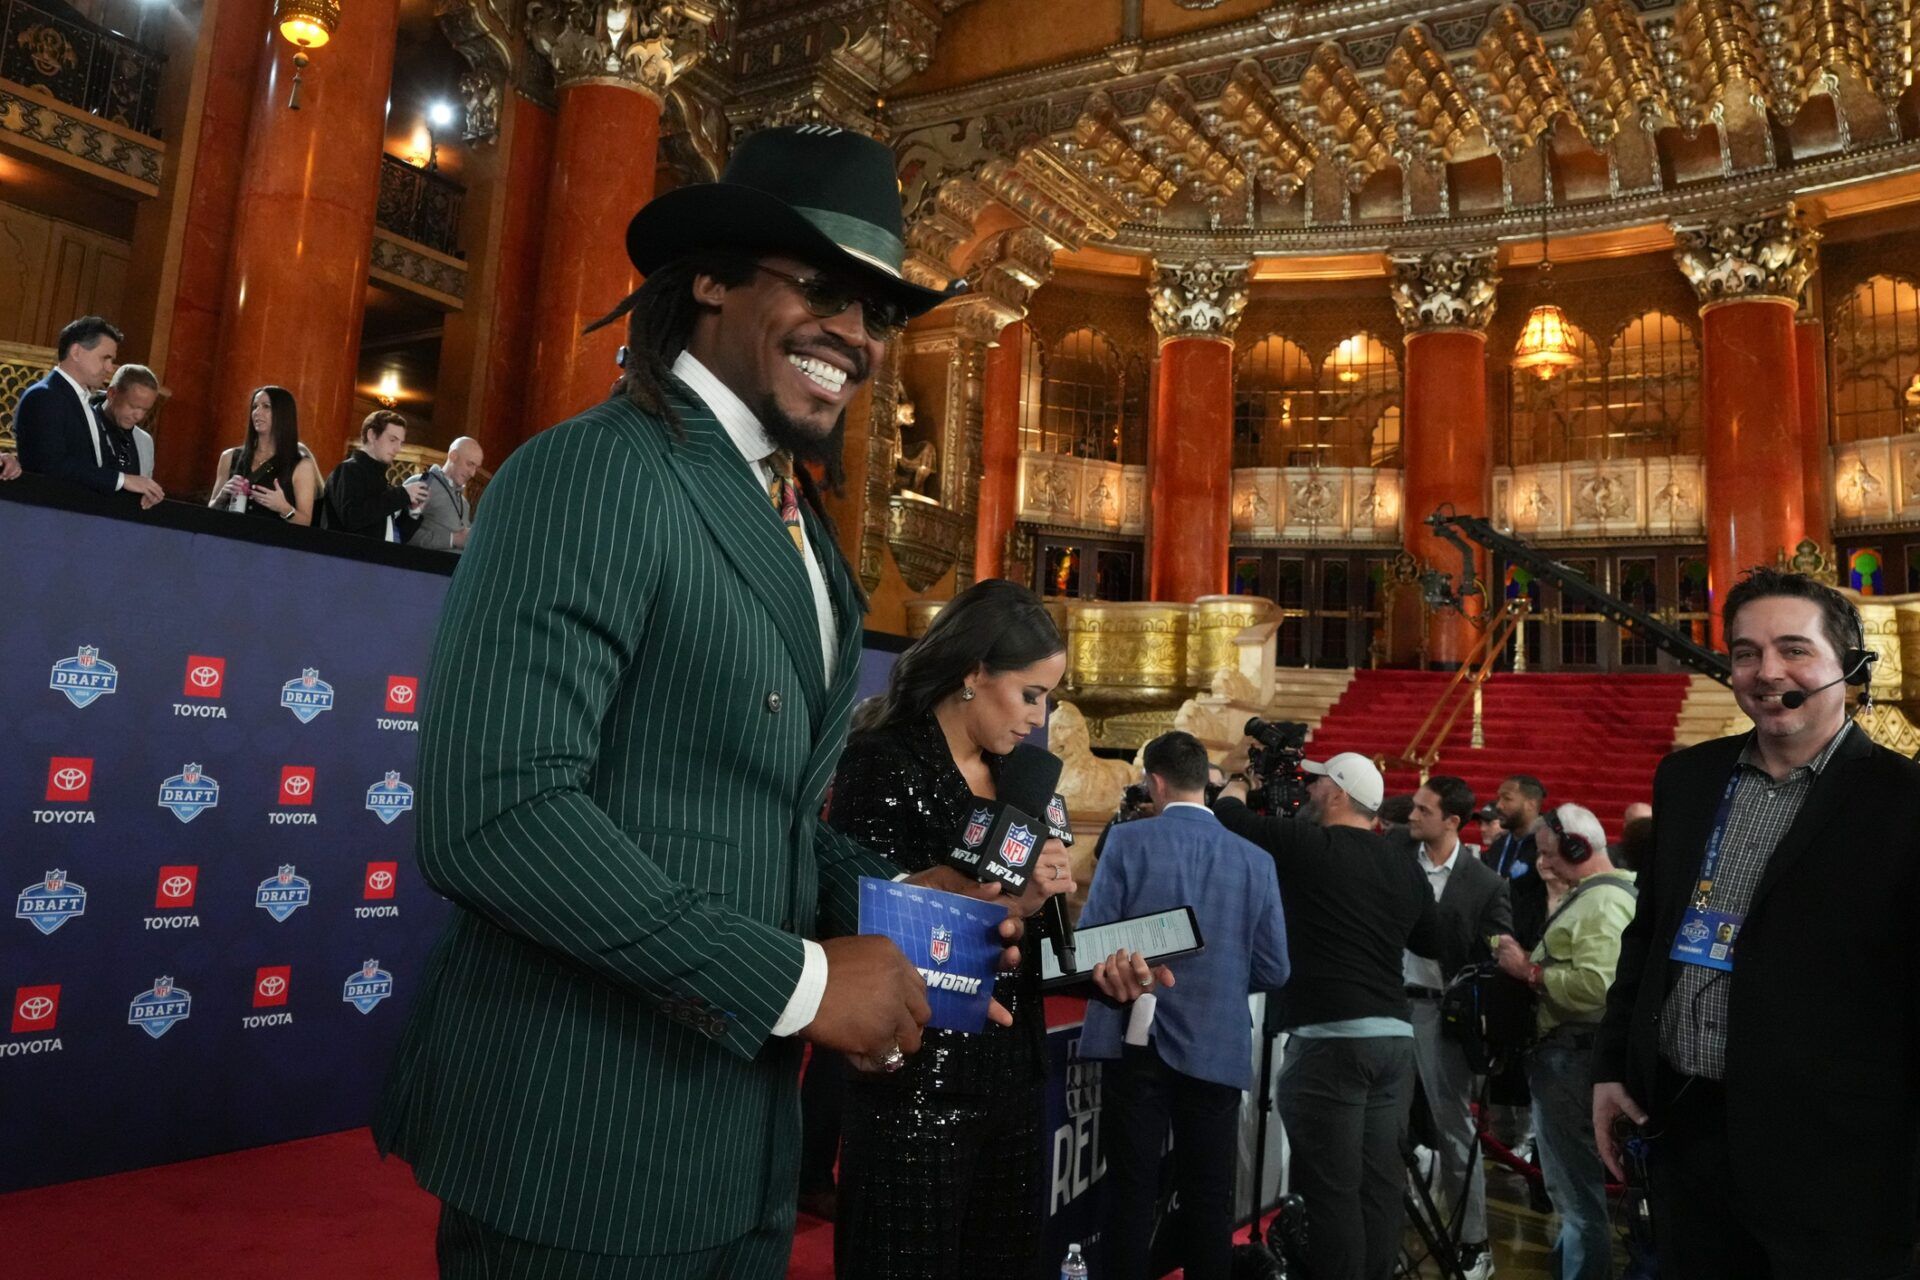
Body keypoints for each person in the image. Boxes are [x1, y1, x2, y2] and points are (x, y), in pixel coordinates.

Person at [373, 125, 1015, 1279]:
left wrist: (887, 901)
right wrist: (808, 980)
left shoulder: (809, 529)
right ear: (710, 275)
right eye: (823, 289)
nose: (858, 340)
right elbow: (495, 815)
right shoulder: (593, 469)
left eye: (878, 313)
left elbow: (750, 810)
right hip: (578, 1147)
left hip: (738, 1149)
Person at [1594, 567, 1920, 1279]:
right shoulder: (1686, 781)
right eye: (1745, 652)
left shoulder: (1903, 801)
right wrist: (1615, 1068)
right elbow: (1647, 938)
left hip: (1840, 1171)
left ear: (1849, 666)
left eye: (1794, 649)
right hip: (1687, 1137)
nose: (1766, 671)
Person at [823, 577, 1075, 1280]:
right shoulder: (882, 760)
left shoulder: (1026, 782)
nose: (1039, 716)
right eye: (1030, 694)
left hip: (1016, 1089)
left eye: (1048, 699)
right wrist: (1006, 908)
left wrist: (1101, 972)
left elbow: (1043, 952)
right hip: (916, 1089)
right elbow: (865, 927)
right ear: (973, 673)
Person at [1213, 751, 1439, 1280]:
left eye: (1317, 786)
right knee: (1379, 1188)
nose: (1308, 793)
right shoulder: (1402, 863)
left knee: (1331, 1193)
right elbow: (1431, 938)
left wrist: (1238, 777)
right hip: (1394, 1039)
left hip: (1330, 1043)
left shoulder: (1314, 846)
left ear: (1338, 793)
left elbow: (1230, 818)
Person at [1080, 730, 1290, 1280]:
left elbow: (1093, 944)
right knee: (1208, 1197)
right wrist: (1220, 983)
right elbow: (1275, 968)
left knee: (1130, 1190)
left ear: (1154, 781)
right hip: (1217, 1043)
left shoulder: (1128, 842)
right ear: (1206, 782)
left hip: (1137, 1040)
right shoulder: (1256, 860)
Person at [1495, 803, 1636, 1280]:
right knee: (1573, 1196)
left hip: (1572, 1060)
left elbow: (1598, 987)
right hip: (1576, 1059)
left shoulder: (1601, 902)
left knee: (1576, 1199)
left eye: (1550, 854)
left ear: (1576, 848)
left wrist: (1527, 971)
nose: (1544, 864)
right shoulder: (1608, 894)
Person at [1401, 776, 1511, 1280]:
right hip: (1386, 1005)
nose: (1412, 815)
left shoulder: (1485, 882)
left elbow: (1495, 952)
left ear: (1452, 821)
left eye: (1424, 810)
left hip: (1441, 1017)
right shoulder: (1396, 858)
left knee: (1454, 1131)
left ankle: (1473, 1241)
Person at [14, 316, 164, 507]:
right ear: (76, 352)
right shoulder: (44, 396)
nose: (110, 368)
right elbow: (51, 464)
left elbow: (98, 466)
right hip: (49, 517)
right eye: (105, 358)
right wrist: (122, 480)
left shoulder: (83, 403)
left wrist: (142, 490)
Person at [208, 385, 320, 525]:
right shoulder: (229, 457)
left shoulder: (301, 466)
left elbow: (305, 522)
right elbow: (210, 511)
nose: (257, 412)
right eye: (255, 406)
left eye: (266, 406)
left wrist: (284, 508)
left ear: (283, 414)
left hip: (270, 543)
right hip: (229, 539)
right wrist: (221, 497)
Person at [325, 409, 426, 540]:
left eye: (400, 442)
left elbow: (399, 535)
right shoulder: (348, 470)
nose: (398, 449)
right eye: (392, 440)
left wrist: (414, 512)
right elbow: (352, 518)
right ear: (372, 435)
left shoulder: (382, 481)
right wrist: (402, 494)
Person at [1483, 774, 1549, 948]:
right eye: (1499, 798)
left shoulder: (1548, 849)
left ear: (1531, 804)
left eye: (1507, 799)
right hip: (1492, 941)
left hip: (1530, 947)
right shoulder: (1499, 845)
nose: (1499, 805)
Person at [406, 435, 482, 552]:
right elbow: (403, 535)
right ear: (453, 456)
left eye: (476, 467)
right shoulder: (422, 484)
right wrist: (453, 539)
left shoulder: (464, 503)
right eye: (470, 464)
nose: (472, 473)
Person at [93, 363, 160, 478]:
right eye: (133, 406)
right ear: (112, 394)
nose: (138, 416)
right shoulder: (81, 426)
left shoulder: (145, 441)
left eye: (145, 410)